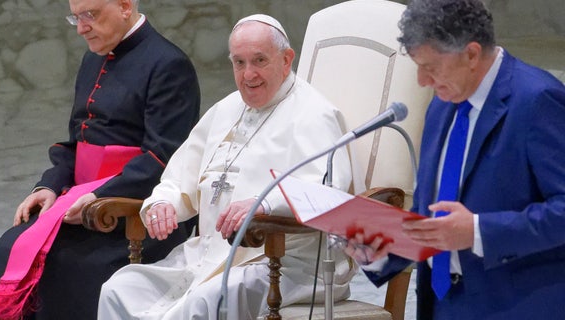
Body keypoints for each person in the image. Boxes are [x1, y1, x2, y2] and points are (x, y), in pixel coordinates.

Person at [0, 0, 200, 319]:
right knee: (9, 246)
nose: (82, 27)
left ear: (125, 6)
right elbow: (77, 143)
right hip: (80, 201)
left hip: (132, 211)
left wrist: (97, 198)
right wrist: (48, 186)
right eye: (76, 18)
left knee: (68, 264)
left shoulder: (168, 64)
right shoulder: (93, 58)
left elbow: (162, 158)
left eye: (91, 15)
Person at [97, 14, 357, 320]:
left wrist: (264, 204)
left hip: (283, 262)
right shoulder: (225, 109)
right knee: (119, 288)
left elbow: (328, 193)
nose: (249, 75)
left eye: (259, 60)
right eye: (239, 62)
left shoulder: (315, 115)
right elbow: (181, 177)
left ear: (286, 60)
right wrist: (163, 202)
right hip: (206, 256)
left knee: (205, 303)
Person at [344, 0, 565, 319]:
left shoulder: (537, 100)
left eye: (430, 67)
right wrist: (379, 248)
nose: (422, 81)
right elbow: (431, 214)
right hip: (442, 304)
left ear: (472, 54)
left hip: (515, 304)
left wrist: (477, 231)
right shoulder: (441, 105)